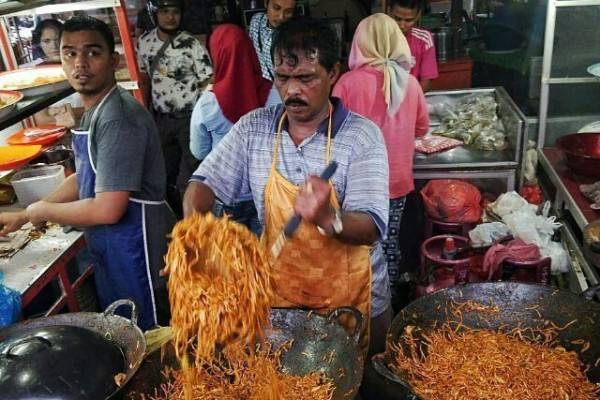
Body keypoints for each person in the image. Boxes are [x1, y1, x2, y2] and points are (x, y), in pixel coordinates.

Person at [184, 17, 391, 357]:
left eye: (306, 78)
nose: (292, 91)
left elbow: (370, 228)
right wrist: (195, 234)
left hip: (351, 299)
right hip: (281, 297)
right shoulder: (255, 128)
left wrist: (329, 217)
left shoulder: (361, 137)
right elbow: (202, 184)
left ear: (333, 73)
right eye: (283, 78)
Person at [0, 16, 175, 330]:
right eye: (69, 53)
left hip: (140, 250)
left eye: (92, 52)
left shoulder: (117, 116)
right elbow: (85, 177)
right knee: (126, 331)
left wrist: (43, 210)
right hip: (117, 247)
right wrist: (25, 215)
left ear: (113, 60)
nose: (80, 62)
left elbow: (108, 208)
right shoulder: (96, 110)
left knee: (150, 336)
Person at [333, 13, 429, 313]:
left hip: (356, 186)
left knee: (356, 247)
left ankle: (356, 305)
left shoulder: (347, 83)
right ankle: (387, 306)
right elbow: (422, 130)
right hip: (397, 184)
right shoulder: (411, 84)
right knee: (387, 245)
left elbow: (331, 132)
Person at [189, 24, 280, 235]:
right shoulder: (275, 95)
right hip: (266, 195)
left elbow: (199, 152)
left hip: (224, 196)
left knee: (233, 262)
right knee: (266, 260)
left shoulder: (207, 103)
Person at [137, 0, 212, 217]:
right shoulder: (144, 43)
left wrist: (202, 114)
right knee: (163, 173)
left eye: (175, 12)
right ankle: (174, 221)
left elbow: (207, 80)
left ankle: (196, 225)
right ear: (155, 14)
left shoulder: (191, 44)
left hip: (189, 119)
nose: (171, 17)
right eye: (165, 11)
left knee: (192, 174)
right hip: (160, 119)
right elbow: (144, 78)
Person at [388, 0, 438, 92]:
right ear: (390, 12)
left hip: (413, 98)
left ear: (418, 15)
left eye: (408, 20)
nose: (402, 25)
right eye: (397, 19)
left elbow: (426, 82)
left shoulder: (424, 39)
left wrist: (409, 99)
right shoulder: (379, 38)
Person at [248, 0, 296, 81]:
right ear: (266, 3)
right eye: (276, 8)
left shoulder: (295, 37)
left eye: (288, 12)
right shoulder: (256, 21)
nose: (281, 17)